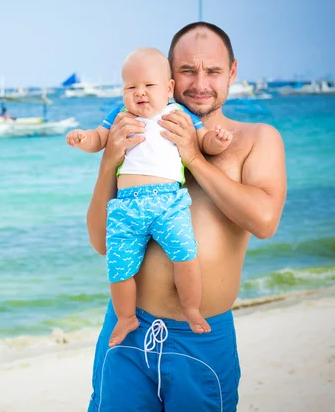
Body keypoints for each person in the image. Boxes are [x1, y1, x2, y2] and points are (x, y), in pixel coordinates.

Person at [86, 22, 287, 411]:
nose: (200, 83)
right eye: (187, 71)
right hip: (127, 329)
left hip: (202, 337)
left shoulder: (256, 139)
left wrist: (193, 156)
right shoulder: (136, 141)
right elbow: (100, 242)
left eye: (212, 71)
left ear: (231, 72)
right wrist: (108, 160)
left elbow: (264, 221)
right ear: (168, 78)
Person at [66, 48, 233, 348]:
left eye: (148, 85)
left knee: (185, 255)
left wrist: (216, 141)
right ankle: (126, 317)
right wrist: (83, 138)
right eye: (131, 87)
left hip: (168, 201)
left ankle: (191, 308)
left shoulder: (178, 114)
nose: (140, 93)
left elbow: (203, 141)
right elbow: (98, 139)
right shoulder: (119, 115)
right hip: (126, 206)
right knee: (118, 269)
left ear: (168, 89)